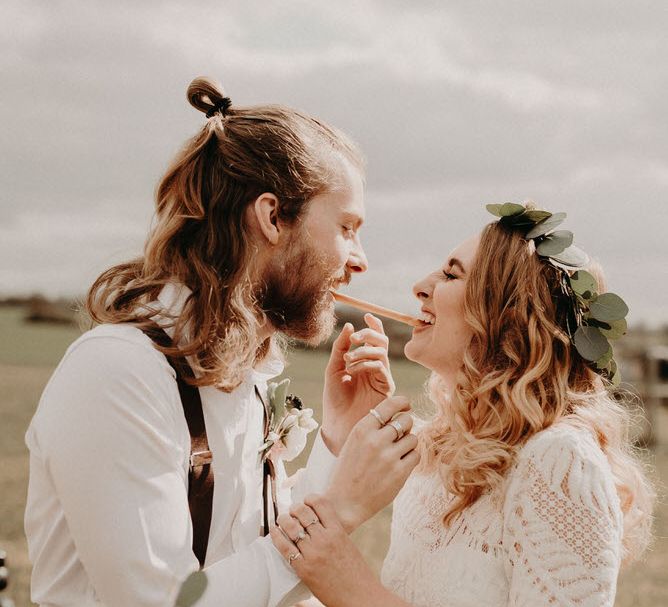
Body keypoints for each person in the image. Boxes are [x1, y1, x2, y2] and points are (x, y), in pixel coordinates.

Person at [23, 77, 419, 607]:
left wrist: (333, 444)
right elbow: (165, 601)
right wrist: (342, 508)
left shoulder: (246, 378)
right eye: (347, 227)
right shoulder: (119, 373)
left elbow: (250, 562)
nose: (360, 260)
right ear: (272, 217)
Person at [272, 203, 655, 607]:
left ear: (509, 318)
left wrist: (351, 587)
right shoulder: (442, 450)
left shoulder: (561, 460)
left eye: (452, 275)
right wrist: (347, 428)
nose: (420, 286)